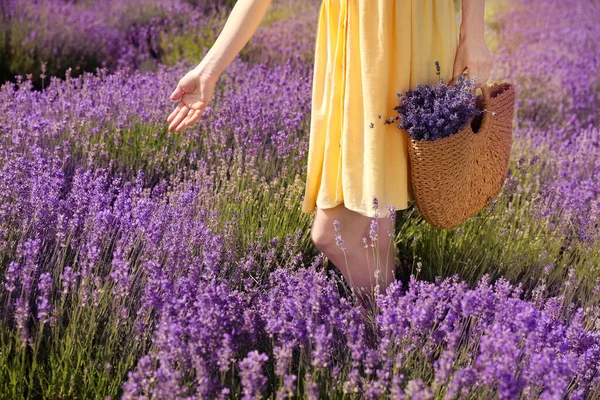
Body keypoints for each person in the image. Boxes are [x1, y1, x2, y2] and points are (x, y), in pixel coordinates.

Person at [167, 0, 493, 313]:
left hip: (399, 34)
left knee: (334, 234)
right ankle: (397, 330)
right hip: (356, 46)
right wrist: (209, 70)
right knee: (371, 223)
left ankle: (392, 330)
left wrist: (473, 35)